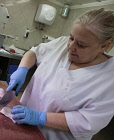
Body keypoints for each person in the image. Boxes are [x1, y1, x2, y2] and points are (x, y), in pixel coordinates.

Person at [6, 8, 114, 140]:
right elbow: (34, 52)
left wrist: (41, 117)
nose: (71, 46)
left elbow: (87, 121)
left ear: (104, 46)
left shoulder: (109, 79)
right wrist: (22, 69)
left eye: (81, 45)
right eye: (71, 38)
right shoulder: (62, 44)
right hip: (22, 127)